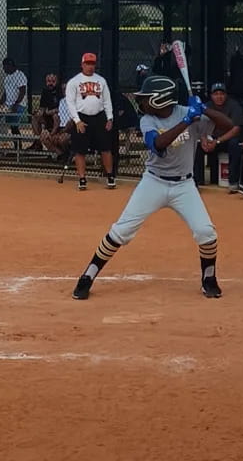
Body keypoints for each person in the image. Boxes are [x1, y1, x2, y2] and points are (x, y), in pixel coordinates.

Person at [71, 75, 234, 301]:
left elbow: (229, 125)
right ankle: (88, 276)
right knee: (121, 231)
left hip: (184, 185)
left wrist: (205, 109)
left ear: (160, 99)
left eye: (146, 98)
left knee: (206, 232)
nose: (142, 103)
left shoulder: (189, 113)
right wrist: (188, 120)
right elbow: (157, 144)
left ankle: (209, 278)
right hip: (153, 182)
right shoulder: (148, 120)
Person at [65, 52, 116, 191]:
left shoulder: (101, 80)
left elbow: (107, 100)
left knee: (105, 148)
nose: (90, 66)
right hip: (82, 117)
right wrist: (77, 121)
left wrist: (109, 117)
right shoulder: (74, 81)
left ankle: (110, 176)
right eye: (88, 63)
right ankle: (82, 179)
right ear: (82, 64)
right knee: (80, 150)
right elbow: (70, 103)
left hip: (99, 117)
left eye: (92, 64)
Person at [195, 82, 243, 193]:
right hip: (211, 138)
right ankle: (196, 182)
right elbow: (199, 126)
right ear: (211, 96)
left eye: (221, 94)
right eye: (216, 94)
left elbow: (236, 129)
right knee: (197, 146)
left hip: (226, 140)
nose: (219, 96)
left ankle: (233, 182)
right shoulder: (206, 106)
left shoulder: (234, 106)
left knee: (235, 144)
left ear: (226, 95)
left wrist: (217, 142)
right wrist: (203, 140)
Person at [40, 83, 74, 161]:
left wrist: (63, 131)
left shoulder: (75, 102)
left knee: (62, 139)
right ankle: (61, 154)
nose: (64, 91)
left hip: (70, 129)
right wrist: (54, 132)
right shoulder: (62, 101)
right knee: (44, 136)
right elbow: (58, 118)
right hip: (60, 128)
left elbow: (72, 122)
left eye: (66, 89)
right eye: (63, 89)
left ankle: (69, 153)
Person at [0, 58, 27, 133]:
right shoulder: (7, 78)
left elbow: (22, 91)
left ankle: (17, 143)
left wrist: (16, 104)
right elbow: (5, 93)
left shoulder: (20, 75)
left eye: (4, 66)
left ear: (10, 66)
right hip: (7, 105)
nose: (3, 69)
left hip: (18, 104)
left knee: (13, 126)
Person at [30, 73, 62, 148]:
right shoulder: (45, 91)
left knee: (55, 116)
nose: (50, 83)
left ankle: (51, 137)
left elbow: (61, 109)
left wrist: (50, 111)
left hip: (57, 117)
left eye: (53, 81)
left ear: (57, 81)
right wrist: (39, 112)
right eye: (48, 81)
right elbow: (42, 108)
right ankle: (38, 142)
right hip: (47, 115)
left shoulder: (59, 91)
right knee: (35, 117)